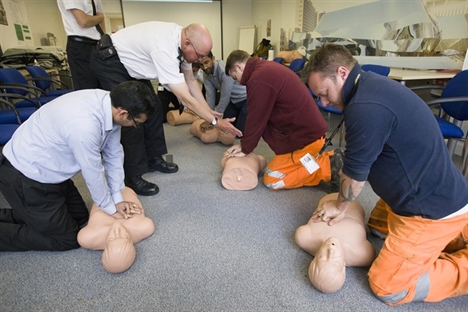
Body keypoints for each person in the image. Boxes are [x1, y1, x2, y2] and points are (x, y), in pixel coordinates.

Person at [302, 43, 468, 305]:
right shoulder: (368, 83)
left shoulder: (365, 106)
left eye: (324, 93)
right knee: (376, 230)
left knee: (388, 287)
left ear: (342, 73)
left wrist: (339, 206)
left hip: (429, 210)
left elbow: (355, 178)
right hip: (427, 190)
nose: (324, 102)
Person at [0, 81, 155, 251]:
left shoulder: (110, 103)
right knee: (67, 239)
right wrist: (111, 208)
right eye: (136, 122)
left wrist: (117, 197)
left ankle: (30, 214)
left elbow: (114, 154)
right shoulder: (84, 125)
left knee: (81, 218)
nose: (135, 126)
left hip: (53, 172)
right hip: (26, 176)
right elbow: (93, 171)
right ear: (123, 113)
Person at [90, 22, 242, 196]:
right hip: (111, 61)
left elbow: (191, 82)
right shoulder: (165, 48)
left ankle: (154, 158)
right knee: (132, 115)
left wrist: (209, 110)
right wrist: (215, 122)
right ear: (187, 44)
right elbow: (186, 98)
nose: (200, 60)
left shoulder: (183, 44)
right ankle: (133, 176)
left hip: (133, 66)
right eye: (199, 56)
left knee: (153, 108)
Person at [223, 50, 341, 192]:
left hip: (306, 140)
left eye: (235, 78)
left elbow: (256, 118)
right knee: (276, 170)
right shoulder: (265, 69)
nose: (239, 83)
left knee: (273, 179)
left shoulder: (258, 79)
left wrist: (245, 147)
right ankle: (322, 159)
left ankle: (328, 166)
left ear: (239, 67)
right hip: (306, 135)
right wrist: (246, 145)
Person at [295, 193, 376, 293]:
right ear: (343, 268)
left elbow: (301, 233)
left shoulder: (306, 238)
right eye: (336, 262)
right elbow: (371, 252)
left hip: (328, 199)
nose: (331, 250)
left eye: (322, 257)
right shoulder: (362, 255)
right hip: (353, 202)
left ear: (315, 258)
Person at [78, 187, 155, 273]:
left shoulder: (87, 238)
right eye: (124, 236)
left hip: (102, 190)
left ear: (105, 246)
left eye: (111, 239)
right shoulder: (143, 227)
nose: (117, 230)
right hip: (122, 188)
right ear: (130, 242)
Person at [57, 0, 105, 90]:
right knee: (87, 90)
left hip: (97, 45)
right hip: (80, 46)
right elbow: (83, 21)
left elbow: (101, 20)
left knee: (104, 90)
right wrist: (100, 17)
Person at [199, 51, 248, 132]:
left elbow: (225, 96)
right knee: (226, 127)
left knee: (240, 130)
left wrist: (214, 120)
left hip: (246, 100)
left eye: (206, 62)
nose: (204, 67)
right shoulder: (206, 73)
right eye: (201, 65)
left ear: (213, 59)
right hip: (234, 101)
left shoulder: (223, 70)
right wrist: (209, 117)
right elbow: (210, 96)